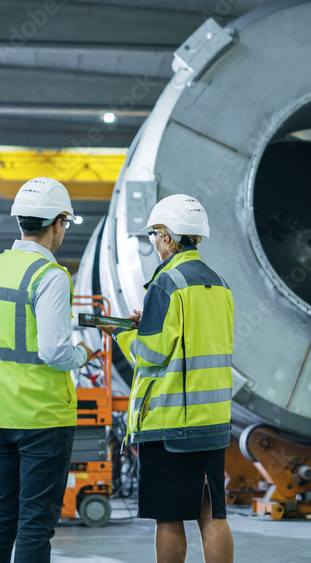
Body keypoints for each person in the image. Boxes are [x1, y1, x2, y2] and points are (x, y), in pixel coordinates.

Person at [96, 194, 235, 563]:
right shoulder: (220, 284)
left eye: (155, 235)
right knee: (213, 516)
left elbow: (150, 354)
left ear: (169, 237)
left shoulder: (166, 283)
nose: (154, 243)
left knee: (170, 518)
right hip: (214, 421)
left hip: (171, 424)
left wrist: (120, 331)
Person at [0, 177, 94, 563]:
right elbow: (55, 351)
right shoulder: (50, 276)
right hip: (42, 418)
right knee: (35, 525)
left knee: (1, 517)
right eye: (66, 224)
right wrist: (84, 353)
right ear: (58, 222)